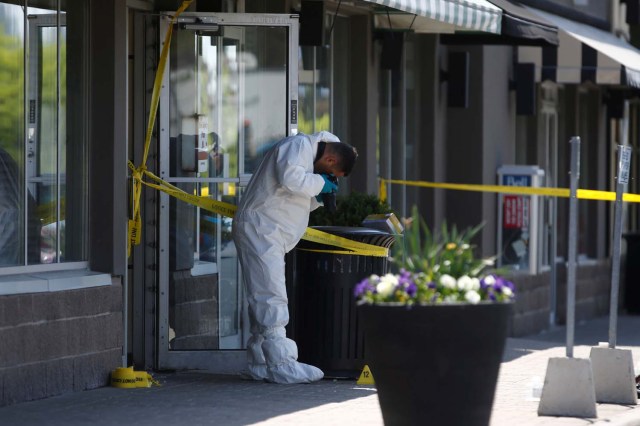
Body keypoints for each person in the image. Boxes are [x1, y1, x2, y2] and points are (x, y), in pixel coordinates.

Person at [232, 131, 358, 384]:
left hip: (268, 231)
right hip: (262, 230)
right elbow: (290, 179)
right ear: (332, 160)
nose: (328, 178)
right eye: (332, 174)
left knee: (262, 293)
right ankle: (282, 364)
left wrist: (318, 198)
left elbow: (291, 195)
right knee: (271, 295)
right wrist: (322, 184)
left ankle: (260, 363)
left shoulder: (304, 157)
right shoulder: (299, 145)